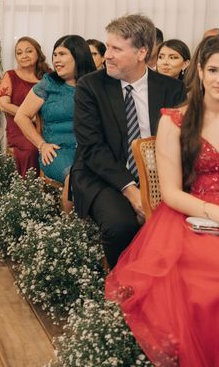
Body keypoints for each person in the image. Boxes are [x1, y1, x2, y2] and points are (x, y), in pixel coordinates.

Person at [106, 35, 219, 366]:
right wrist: (214, 213)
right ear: (198, 71)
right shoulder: (175, 121)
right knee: (209, 282)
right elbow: (170, 192)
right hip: (192, 212)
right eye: (213, 69)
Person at [72, 14, 186, 267]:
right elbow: (92, 148)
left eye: (116, 49)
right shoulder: (90, 86)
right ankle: (122, 285)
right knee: (120, 226)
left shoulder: (171, 89)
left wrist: (161, 189)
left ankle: (161, 284)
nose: (107, 55)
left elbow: (181, 144)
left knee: (183, 225)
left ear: (141, 52)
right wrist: (133, 192)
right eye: (107, 46)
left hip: (160, 176)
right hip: (102, 175)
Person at [14, 35, 95, 211]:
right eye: (55, 55)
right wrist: (42, 145)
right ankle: (70, 230)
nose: (56, 60)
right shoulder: (49, 83)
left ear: (78, 56)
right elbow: (21, 116)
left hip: (89, 150)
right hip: (57, 152)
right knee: (75, 177)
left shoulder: (94, 84)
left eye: (62, 54)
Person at [0, 36, 51, 177]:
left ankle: (55, 188)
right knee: (32, 150)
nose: (24, 56)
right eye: (19, 53)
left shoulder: (48, 76)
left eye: (28, 51)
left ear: (38, 53)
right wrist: (30, 116)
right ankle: (28, 189)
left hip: (47, 125)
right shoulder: (10, 76)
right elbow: (3, 105)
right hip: (19, 127)